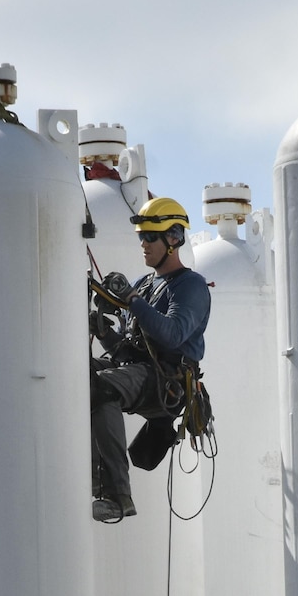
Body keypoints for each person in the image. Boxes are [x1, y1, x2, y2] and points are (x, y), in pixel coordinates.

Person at [89, 196, 210, 522]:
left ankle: (117, 494)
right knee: (79, 374)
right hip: (142, 372)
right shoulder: (146, 284)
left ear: (173, 238)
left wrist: (132, 300)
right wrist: (104, 333)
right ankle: (87, 475)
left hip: (167, 382)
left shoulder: (190, 286)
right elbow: (131, 352)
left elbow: (171, 335)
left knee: (102, 387)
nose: (143, 244)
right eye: (141, 237)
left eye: (149, 237)